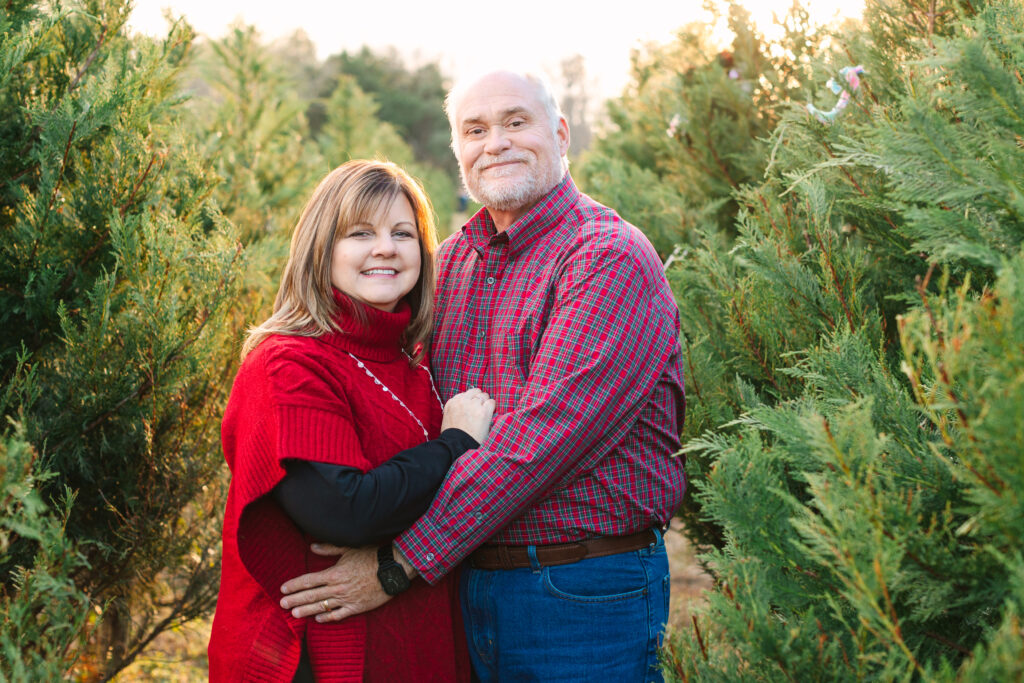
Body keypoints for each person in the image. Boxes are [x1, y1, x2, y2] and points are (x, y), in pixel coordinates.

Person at [280, 70, 687, 681]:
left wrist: (396, 563)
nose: (494, 142)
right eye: (475, 130)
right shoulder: (450, 264)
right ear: (458, 151)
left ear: (561, 131)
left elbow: (537, 447)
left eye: (516, 122)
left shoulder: (606, 259)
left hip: (577, 591)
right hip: (460, 581)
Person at [208, 160, 495, 682]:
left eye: (402, 233)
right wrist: (456, 444)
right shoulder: (288, 363)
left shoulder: (417, 363)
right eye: (360, 233)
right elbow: (344, 511)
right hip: (307, 654)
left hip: (412, 642)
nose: (385, 247)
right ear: (323, 249)